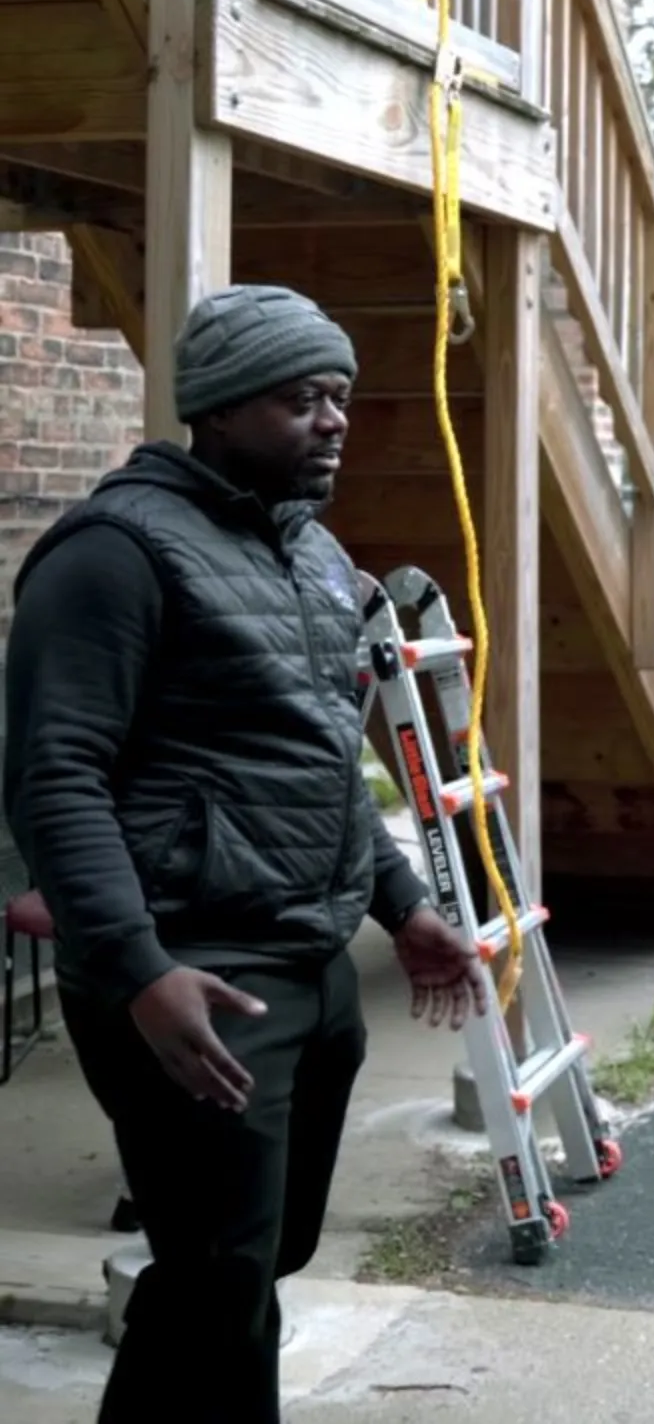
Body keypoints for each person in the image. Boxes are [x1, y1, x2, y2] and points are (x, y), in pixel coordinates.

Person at [3, 284, 483, 1420]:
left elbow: (322, 758)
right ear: (216, 410)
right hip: (197, 969)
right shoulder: (112, 555)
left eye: (341, 398)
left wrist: (401, 902)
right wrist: (138, 970)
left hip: (310, 963)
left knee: (246, 1266)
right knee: (219, 1273)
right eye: (300, 399)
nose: (334, 421)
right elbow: (51, 777)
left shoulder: (312, 556)